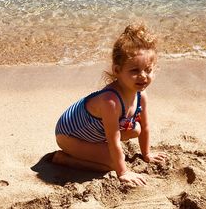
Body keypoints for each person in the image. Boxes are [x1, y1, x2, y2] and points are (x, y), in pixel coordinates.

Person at [52, 23, 167, 186]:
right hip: (69, 136)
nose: (143, 76)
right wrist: (123, 172)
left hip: (93, 133)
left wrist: (147, 154)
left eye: (148, 70)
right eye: (134, 70)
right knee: (113, 163)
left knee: (137, 129)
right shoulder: (110, 102)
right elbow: (114, 141)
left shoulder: (141, 95)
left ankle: (96, 149)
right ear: (117, 70)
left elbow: (145, 127)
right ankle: (63, 158)